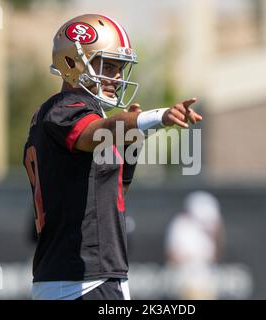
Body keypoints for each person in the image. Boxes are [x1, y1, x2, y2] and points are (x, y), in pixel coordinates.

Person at [23, 14, 203, 300]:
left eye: (120, 68)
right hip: (85, 279)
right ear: (73, 62)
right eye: (108, 66)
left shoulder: (59, 113)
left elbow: (112, 191)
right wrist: (151, 118)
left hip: (69, 277)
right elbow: (93, 132)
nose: (117, 77)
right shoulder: (64, 108)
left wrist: (132, 137)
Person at [164, 191, 224, 299]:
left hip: (206, 278)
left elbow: (214, 255)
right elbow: (173, 255)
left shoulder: (211, 233)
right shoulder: (180, 226)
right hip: (186, 278)